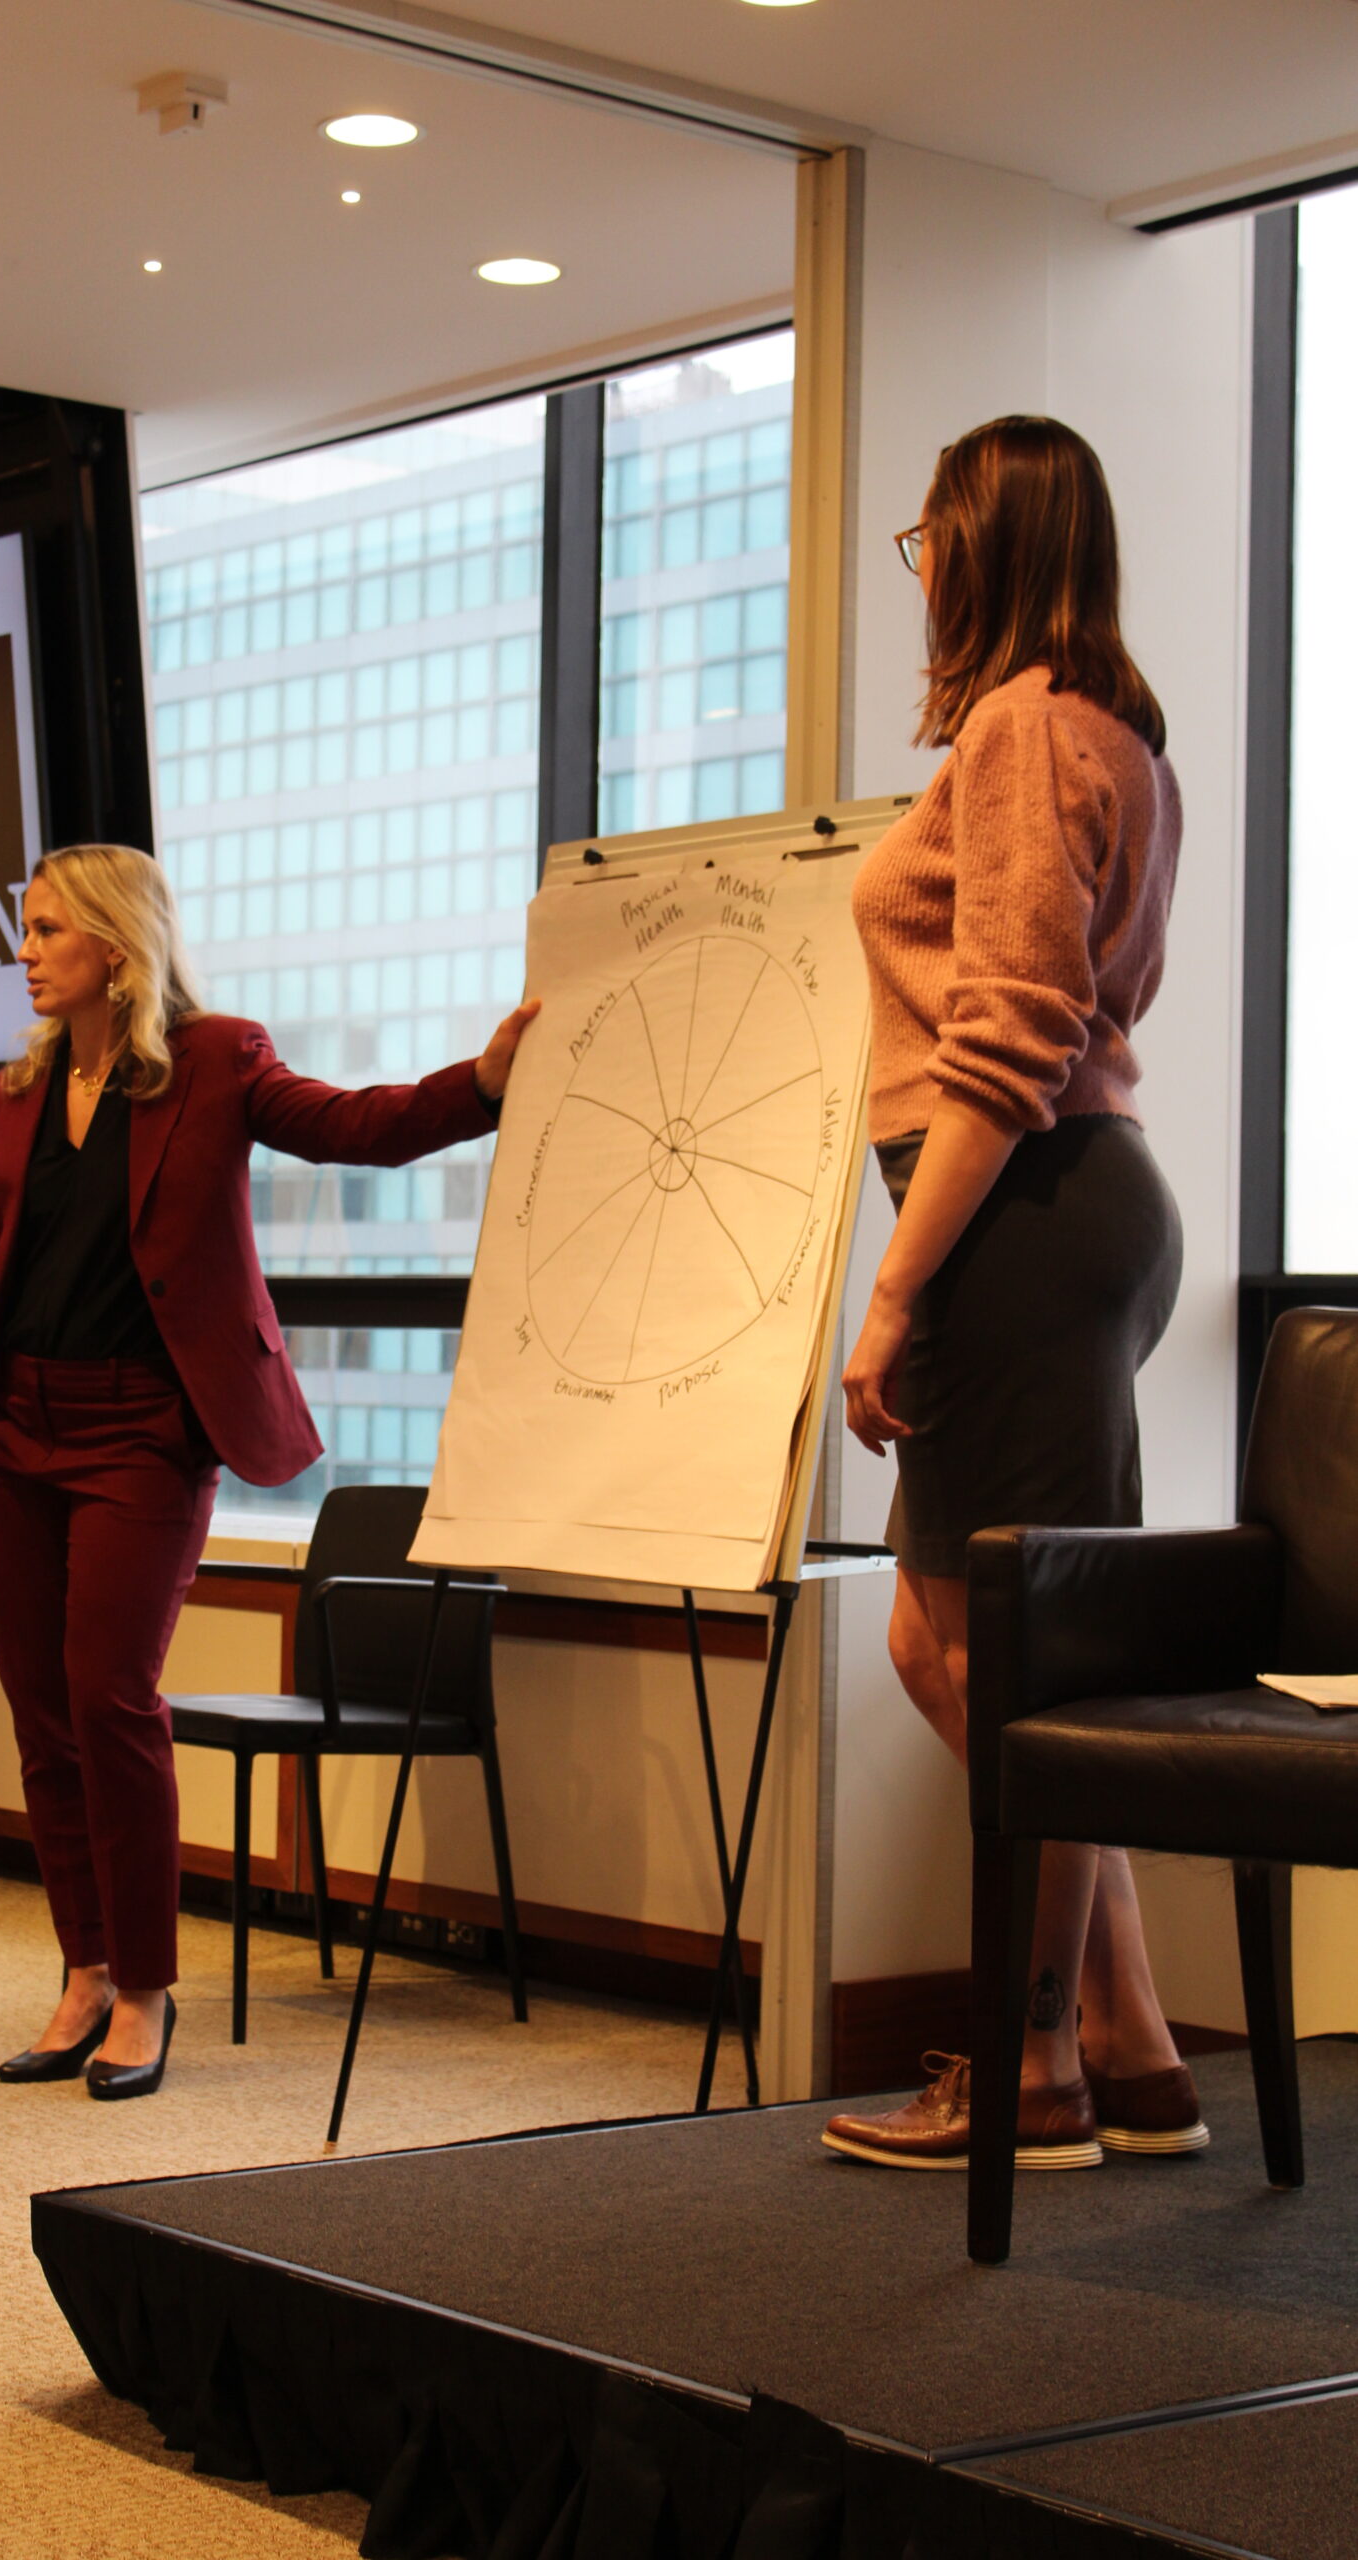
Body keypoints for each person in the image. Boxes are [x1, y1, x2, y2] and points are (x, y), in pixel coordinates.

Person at [0, 842, 537, 2100]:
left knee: (111, 1696)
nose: (28, 951)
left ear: (114, 941)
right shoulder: (15, 1091)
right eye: (27, 929)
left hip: (143, 1431)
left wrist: (479, 1084)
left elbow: (354, 1128)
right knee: (42, 1715)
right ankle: (83, 1969)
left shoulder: (217, 1061)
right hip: (18, 1429)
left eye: (48, 929)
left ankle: (148, 1991)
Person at [821, 417, 1204, 2172]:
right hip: (1060, 1211)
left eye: (924, 542)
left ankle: (1028, 2066)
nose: (921, 573)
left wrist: (893, 1296)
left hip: (1021, 1216)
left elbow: (1013, 1033)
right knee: (943, 1643)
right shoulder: (1115, 732)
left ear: (978, 546)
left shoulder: (1022, 725)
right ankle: (1123, 2044)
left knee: (999, 1656)